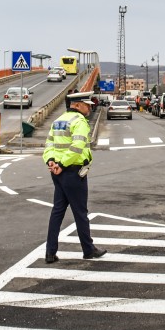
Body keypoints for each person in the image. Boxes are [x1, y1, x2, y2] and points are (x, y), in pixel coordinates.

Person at [42, 91, 106, 264]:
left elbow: (48, 145)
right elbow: (77, 147)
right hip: (73, 172)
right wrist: (62, 164)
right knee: (80, 212)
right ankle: (88, 250)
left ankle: (50, 252)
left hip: (58, 173)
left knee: (57, 212)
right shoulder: (80, 122)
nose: (89, 108)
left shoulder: (58, 121)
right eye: (87, 105)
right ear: (77, 105)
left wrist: (51, 162)